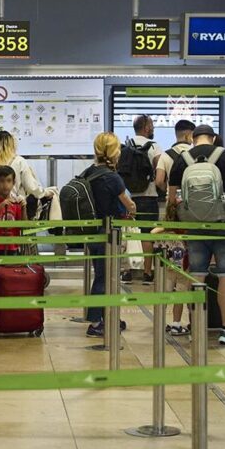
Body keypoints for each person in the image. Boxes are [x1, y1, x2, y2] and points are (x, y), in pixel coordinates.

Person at [167, 124, 225, 346]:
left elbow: (172, 198)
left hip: (194, 226)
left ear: (193, 139)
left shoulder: (181, 160)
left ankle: (196, 327)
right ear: (213, 138)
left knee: (197, 275)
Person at [85, 132, 137, 338]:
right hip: (109, 232)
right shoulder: (112, 177)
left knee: (102, 274)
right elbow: (129, 205)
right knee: (105, 278)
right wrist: (132, 210)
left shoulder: (89, 172)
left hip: (93, 231)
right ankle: (97, 322)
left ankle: (107, 317)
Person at [119, 115, 163, 284]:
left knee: (128, 234)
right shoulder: (155, 147)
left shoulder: (125, 146)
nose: (153, 128)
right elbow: (159, 173)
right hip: (149, 198)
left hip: (128, 198)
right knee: (147, 235)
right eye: (151, 125)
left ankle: (127, 271)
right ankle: (146, 273)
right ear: (146, 128)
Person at [152, 197, 191, 336]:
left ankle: (159, 323)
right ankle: (176, 324)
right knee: (180, 295)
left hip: (165, 266)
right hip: (183, 267)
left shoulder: (163, 228)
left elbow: (152, 234)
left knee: (163, 294)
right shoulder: (187, 230)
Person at [0, 130, 44, 203]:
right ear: (12, 144)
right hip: (14, 207)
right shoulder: (20, 162)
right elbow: (31, 187)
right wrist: (45, 192)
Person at [154, 119, 195, 199]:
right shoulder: (195, 153)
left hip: (173, 199)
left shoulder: (165, 155)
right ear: (188, 135)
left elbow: (159, 181)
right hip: (192, 199)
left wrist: (168, 189)